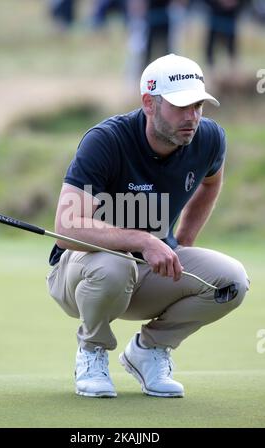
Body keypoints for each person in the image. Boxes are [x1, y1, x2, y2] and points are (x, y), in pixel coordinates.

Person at [46, 53, 249, 398]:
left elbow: (210, 183)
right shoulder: (107, 141)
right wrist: (141, 240)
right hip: (81, 273)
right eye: (181, 106)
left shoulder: (209, 139)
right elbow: (66, 229)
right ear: (149, 104)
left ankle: (149, 350)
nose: (193, 117)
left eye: (198, 104)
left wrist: (180, 244)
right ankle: (92, 350)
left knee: (231, 282)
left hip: (147, 275)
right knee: (116, 262)